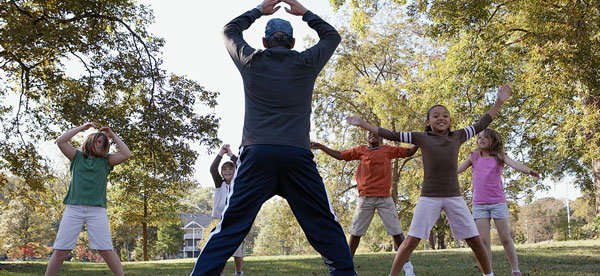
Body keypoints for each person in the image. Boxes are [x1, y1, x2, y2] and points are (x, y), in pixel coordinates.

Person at [190, 0, 355, 275]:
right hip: (296, 156)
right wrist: (305, 14)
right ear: (292, 43)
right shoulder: (306, 62)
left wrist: (258, 10)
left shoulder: (252, 60)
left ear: (265, 42)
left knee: (230, 227)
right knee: (325, 225)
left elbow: (229, 31)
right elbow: (332, 36)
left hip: (257, 155)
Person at [346, 84, 512, 276]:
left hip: (454, 197)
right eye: (436, 116)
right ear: (428, 122)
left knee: (475, 240)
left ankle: (488, 274)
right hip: (429, 198)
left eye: (445, 115)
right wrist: (362, 123)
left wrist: (499, 101)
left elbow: (482, 123)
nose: (441, 117)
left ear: (450, 121)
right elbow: (389, 134)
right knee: (410, 241)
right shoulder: (421, 137)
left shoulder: (458, 136)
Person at [311, 131, 417, 275]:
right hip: (365, 198)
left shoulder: (388, 150)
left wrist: (420, 140)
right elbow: (341, 155)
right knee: (355, 234)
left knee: (397, 233)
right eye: (369, 133)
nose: (372, 135)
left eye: (375, 133)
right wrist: (322, 146)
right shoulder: (361, 150)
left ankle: (408, 267)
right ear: (366, 138)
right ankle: (346, 268)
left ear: (380, 137)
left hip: (384, 198)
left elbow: (409, 151)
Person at [45, 122, 131, 276]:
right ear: (90, 141)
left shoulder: (106, 161)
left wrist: (112, 136)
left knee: (106, 249)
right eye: (99, 141)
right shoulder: (76, 157)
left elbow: (126, 154)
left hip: (97, 210)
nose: (102, 144)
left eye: (104, 143)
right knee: (60, 251)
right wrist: (82, 128)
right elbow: (60, 141)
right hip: (73, 208)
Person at [458, 128, 540, 276]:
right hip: (479, 204)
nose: (481, 139)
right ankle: (488, 273)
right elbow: (457, 170)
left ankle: (515, 270)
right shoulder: (474, 157)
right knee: (483, 241)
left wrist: (528, 171)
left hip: (497, 202)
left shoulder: (499, 156)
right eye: (479, 137)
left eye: (485, 137)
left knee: (505, 238)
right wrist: (441, 173)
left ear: (493, 141)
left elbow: (515, 164)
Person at [210, 144, 245, 276]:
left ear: (235, 171)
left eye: (230, 168)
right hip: (222, 221)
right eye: (224, 169)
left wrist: (230, 154)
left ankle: (238, 272)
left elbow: (243, 164)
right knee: (221, 247)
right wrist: (220, 154)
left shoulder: (239, 182)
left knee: (238, 247)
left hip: (237, 220)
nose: (227, 171)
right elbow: (213, 169)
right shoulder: (219, 183)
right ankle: (222, 273)